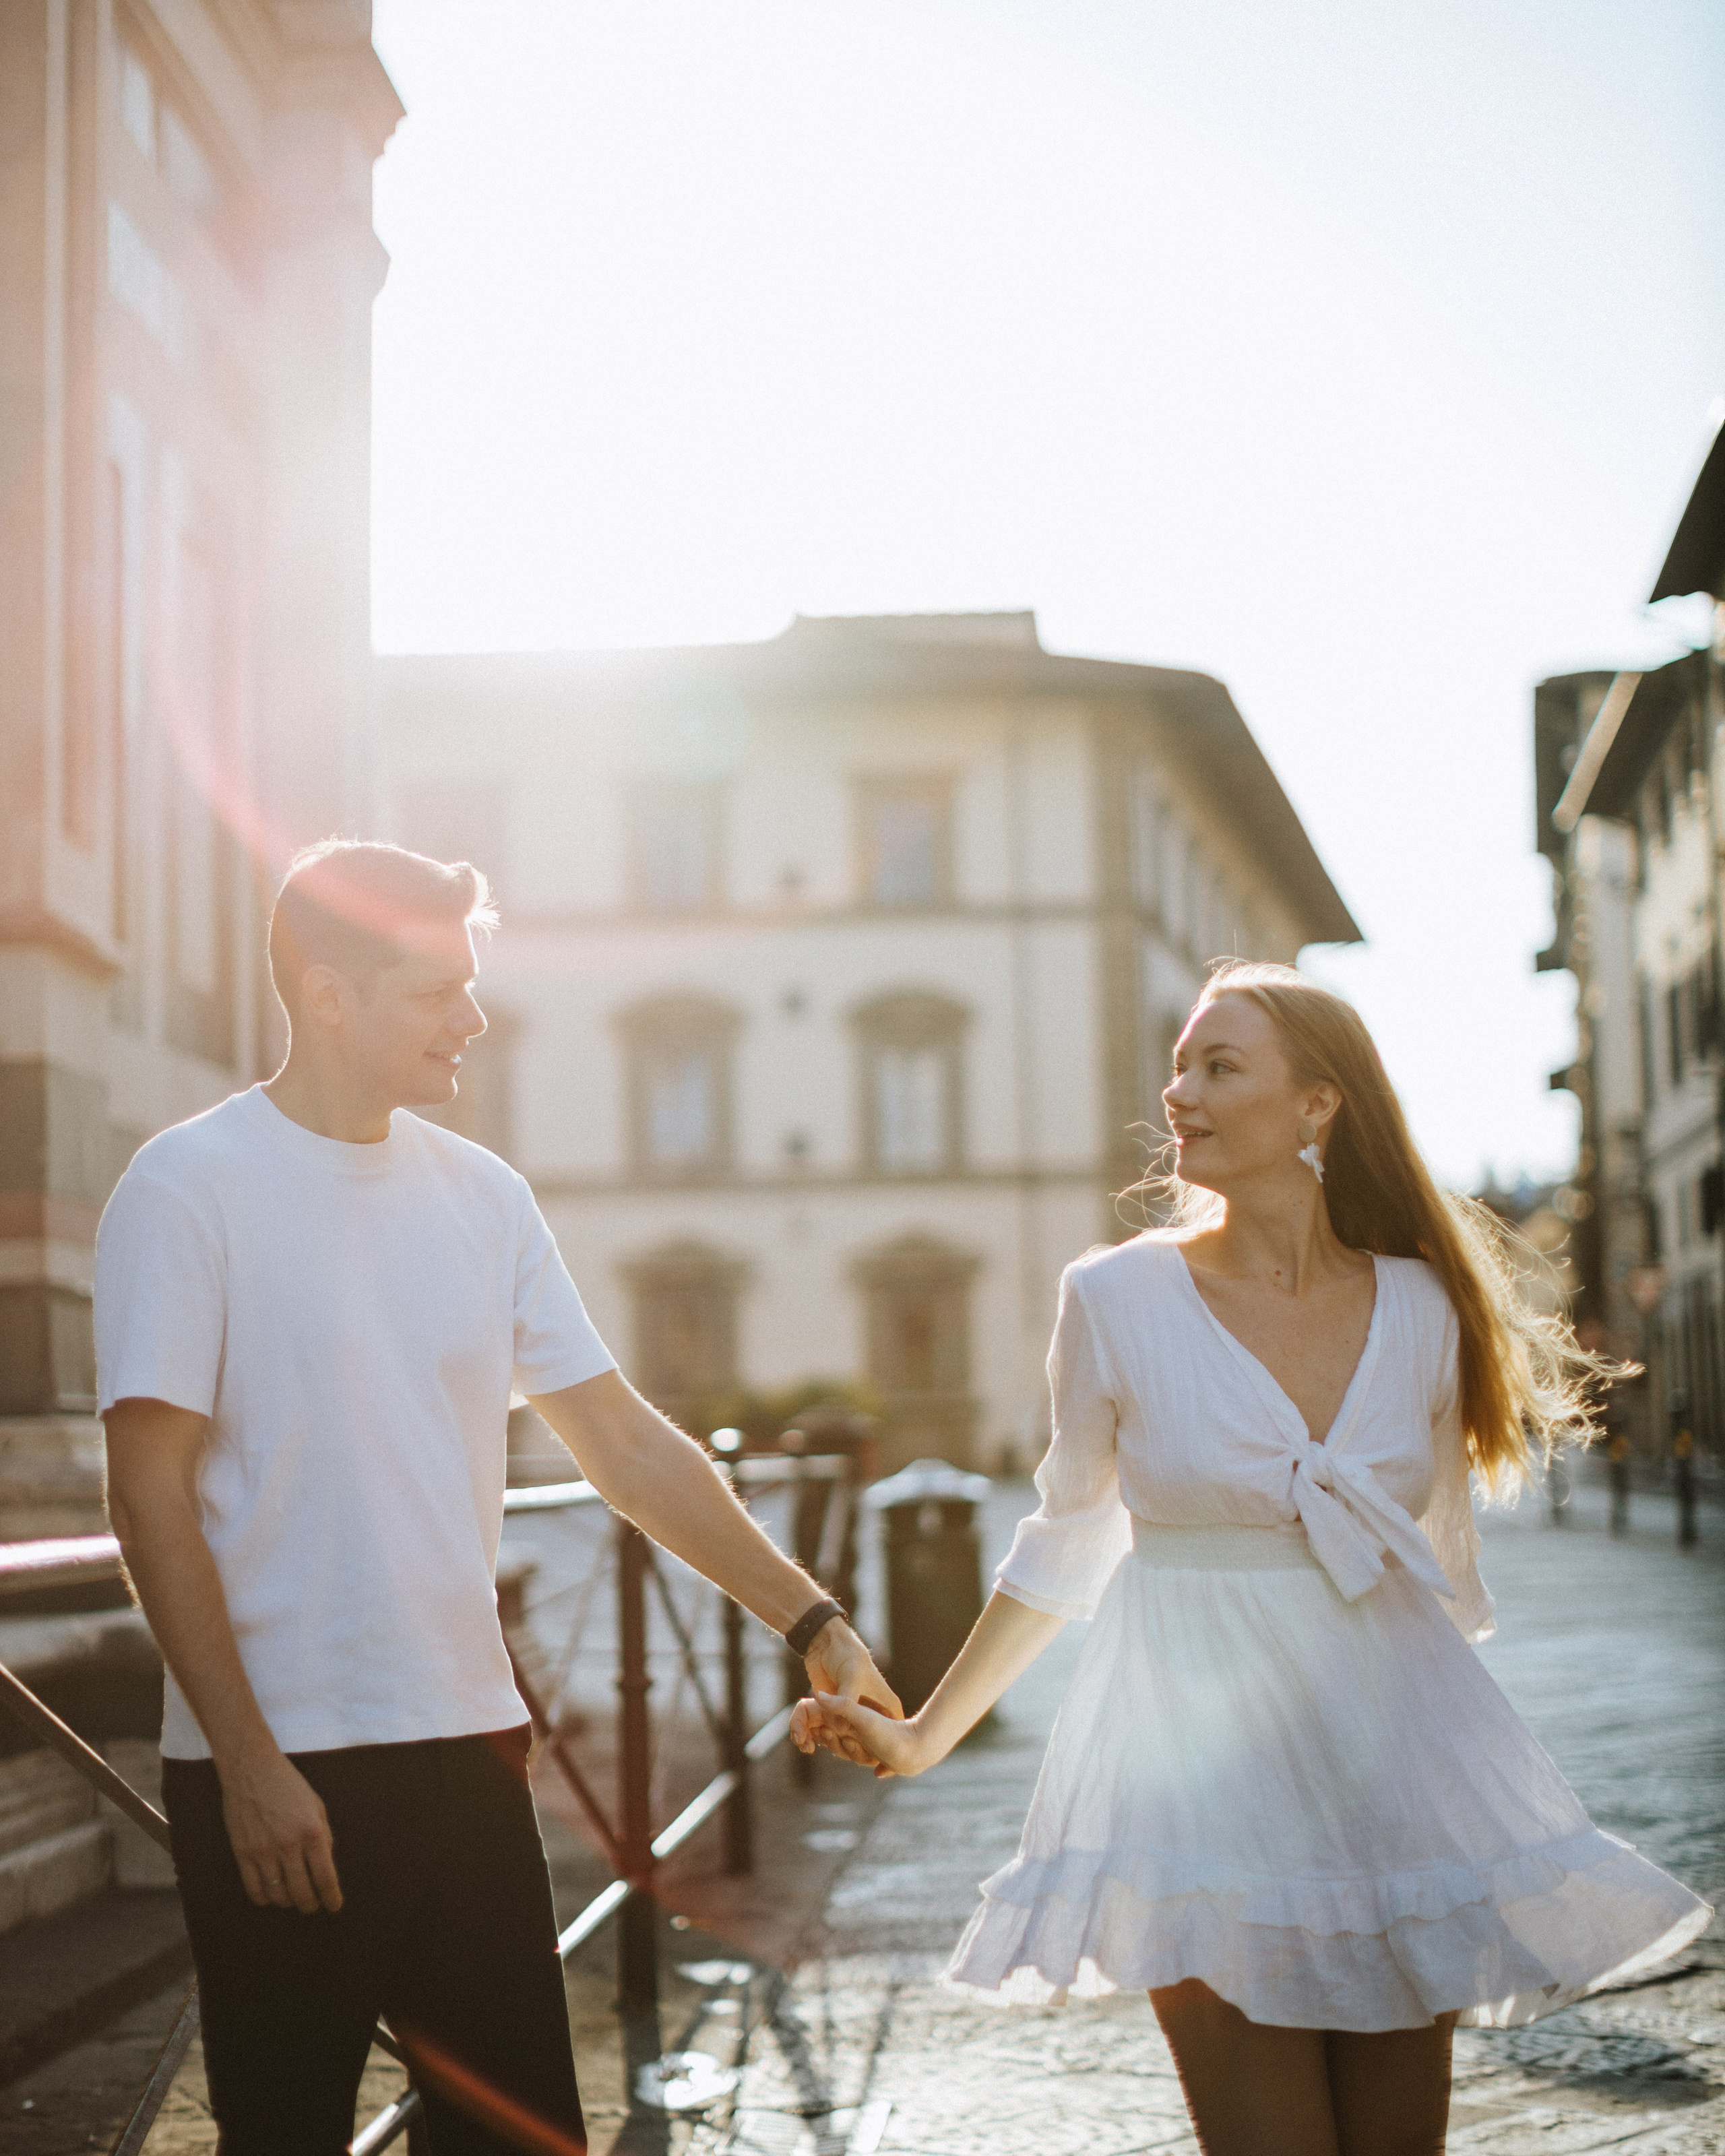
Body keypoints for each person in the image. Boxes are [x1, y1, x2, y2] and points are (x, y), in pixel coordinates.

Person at [796, 961, 1710, 2156]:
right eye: (1179, 1065)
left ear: (1318, 1105)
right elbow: (1065, 1543)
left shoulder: (1426, 1305)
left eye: (1220, 1066)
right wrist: (924, 1736)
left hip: (1390, 1779)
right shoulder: (1115, 1297)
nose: (1178, 1092)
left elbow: (1436, 1577)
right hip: (1199, 1784)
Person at [96, 841, 898, 2156]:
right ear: (327, 991)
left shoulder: (482, 1197)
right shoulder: (187, 1189)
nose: (472, 1017)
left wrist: (810, 1619)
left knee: (520, 2141)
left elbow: (625, 1445)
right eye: (435, 990)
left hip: (470, 1751)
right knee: (287, 2131)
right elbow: (149, 1495)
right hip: (279, 1768)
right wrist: (246, 1763)